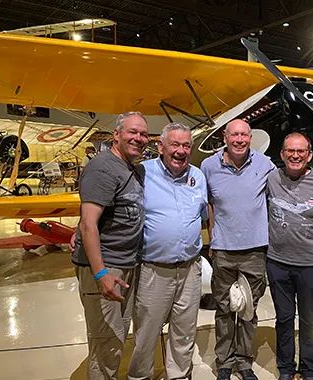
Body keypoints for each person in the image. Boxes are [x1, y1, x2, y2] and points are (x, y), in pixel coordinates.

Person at [72, 111, 149, 380]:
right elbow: (89, 225)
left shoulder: (133, 169)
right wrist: (101, 274)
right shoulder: (103, 167)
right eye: (132, 132)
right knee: (106, 343)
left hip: (126, 264)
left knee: (116, 339)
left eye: (143, 134)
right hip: (107, 266)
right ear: (116, 134)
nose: (138, 138)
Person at [128, 122, 208, 380]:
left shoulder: (198, 176)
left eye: (186, 145)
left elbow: (205, 215)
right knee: (146, 332)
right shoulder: (141, 173)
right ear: (160, 147)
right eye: (174, 144)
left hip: (190, 269)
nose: (181, 151)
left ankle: (180, 375)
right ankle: (140, 376)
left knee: (184, 331)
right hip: (154, 269)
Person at [200, 119, 275, 380]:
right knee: (224, 310)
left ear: (251, 137)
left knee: (248, 310)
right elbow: (208, 204)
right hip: (223, 250)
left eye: (244, 135)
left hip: (255, 250)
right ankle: (224, 361)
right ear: (225, 136)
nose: (240, 140)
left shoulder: (264, 164)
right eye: (235, 135)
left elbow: (288, 180)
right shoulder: (208, 166)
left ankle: (244, 362)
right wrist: (211, 240)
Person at [266, 132, 313, 380]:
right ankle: (285, 368)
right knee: (283, 318)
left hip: (310, 264)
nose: (295, 155)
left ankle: (309, 368)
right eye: (290, 151)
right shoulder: (271, 178)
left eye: (300, 151)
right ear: (282, 154)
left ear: (309, 155)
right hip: (277, 263)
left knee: (309, 319)